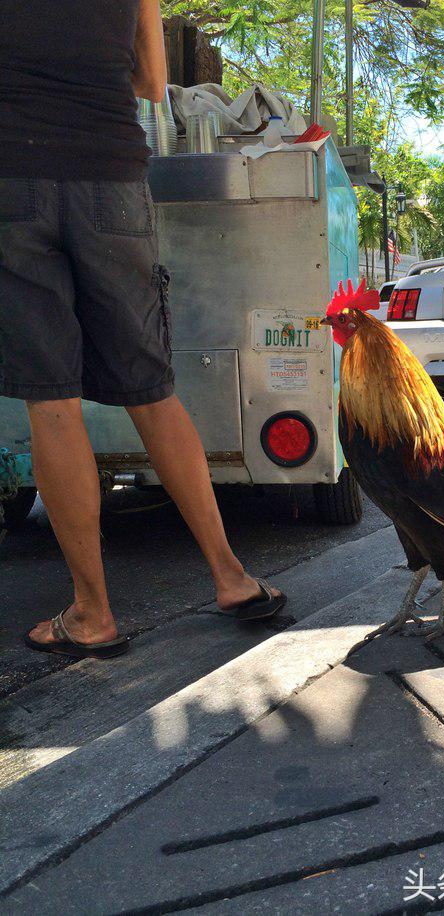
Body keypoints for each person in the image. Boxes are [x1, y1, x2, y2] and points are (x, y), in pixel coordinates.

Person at [0, 0, 285, 659]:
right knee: (151, 391)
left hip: (13, 180)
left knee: (53, 402)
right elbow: (153, 84)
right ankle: (231, 576)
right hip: (111, 176)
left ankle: (92, 614)